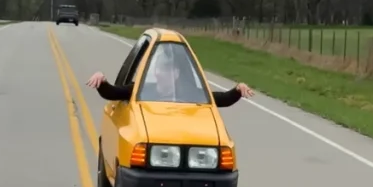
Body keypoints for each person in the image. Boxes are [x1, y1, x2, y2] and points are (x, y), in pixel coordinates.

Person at [85, 53, 254, 106]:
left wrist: (238, 89)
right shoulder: (141, 89)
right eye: (157, 68)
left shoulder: (189, 93)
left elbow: (221, 99)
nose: (158, 73)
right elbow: (113, 93)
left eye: (164, 69)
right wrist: (102, 81)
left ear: (176, 73)